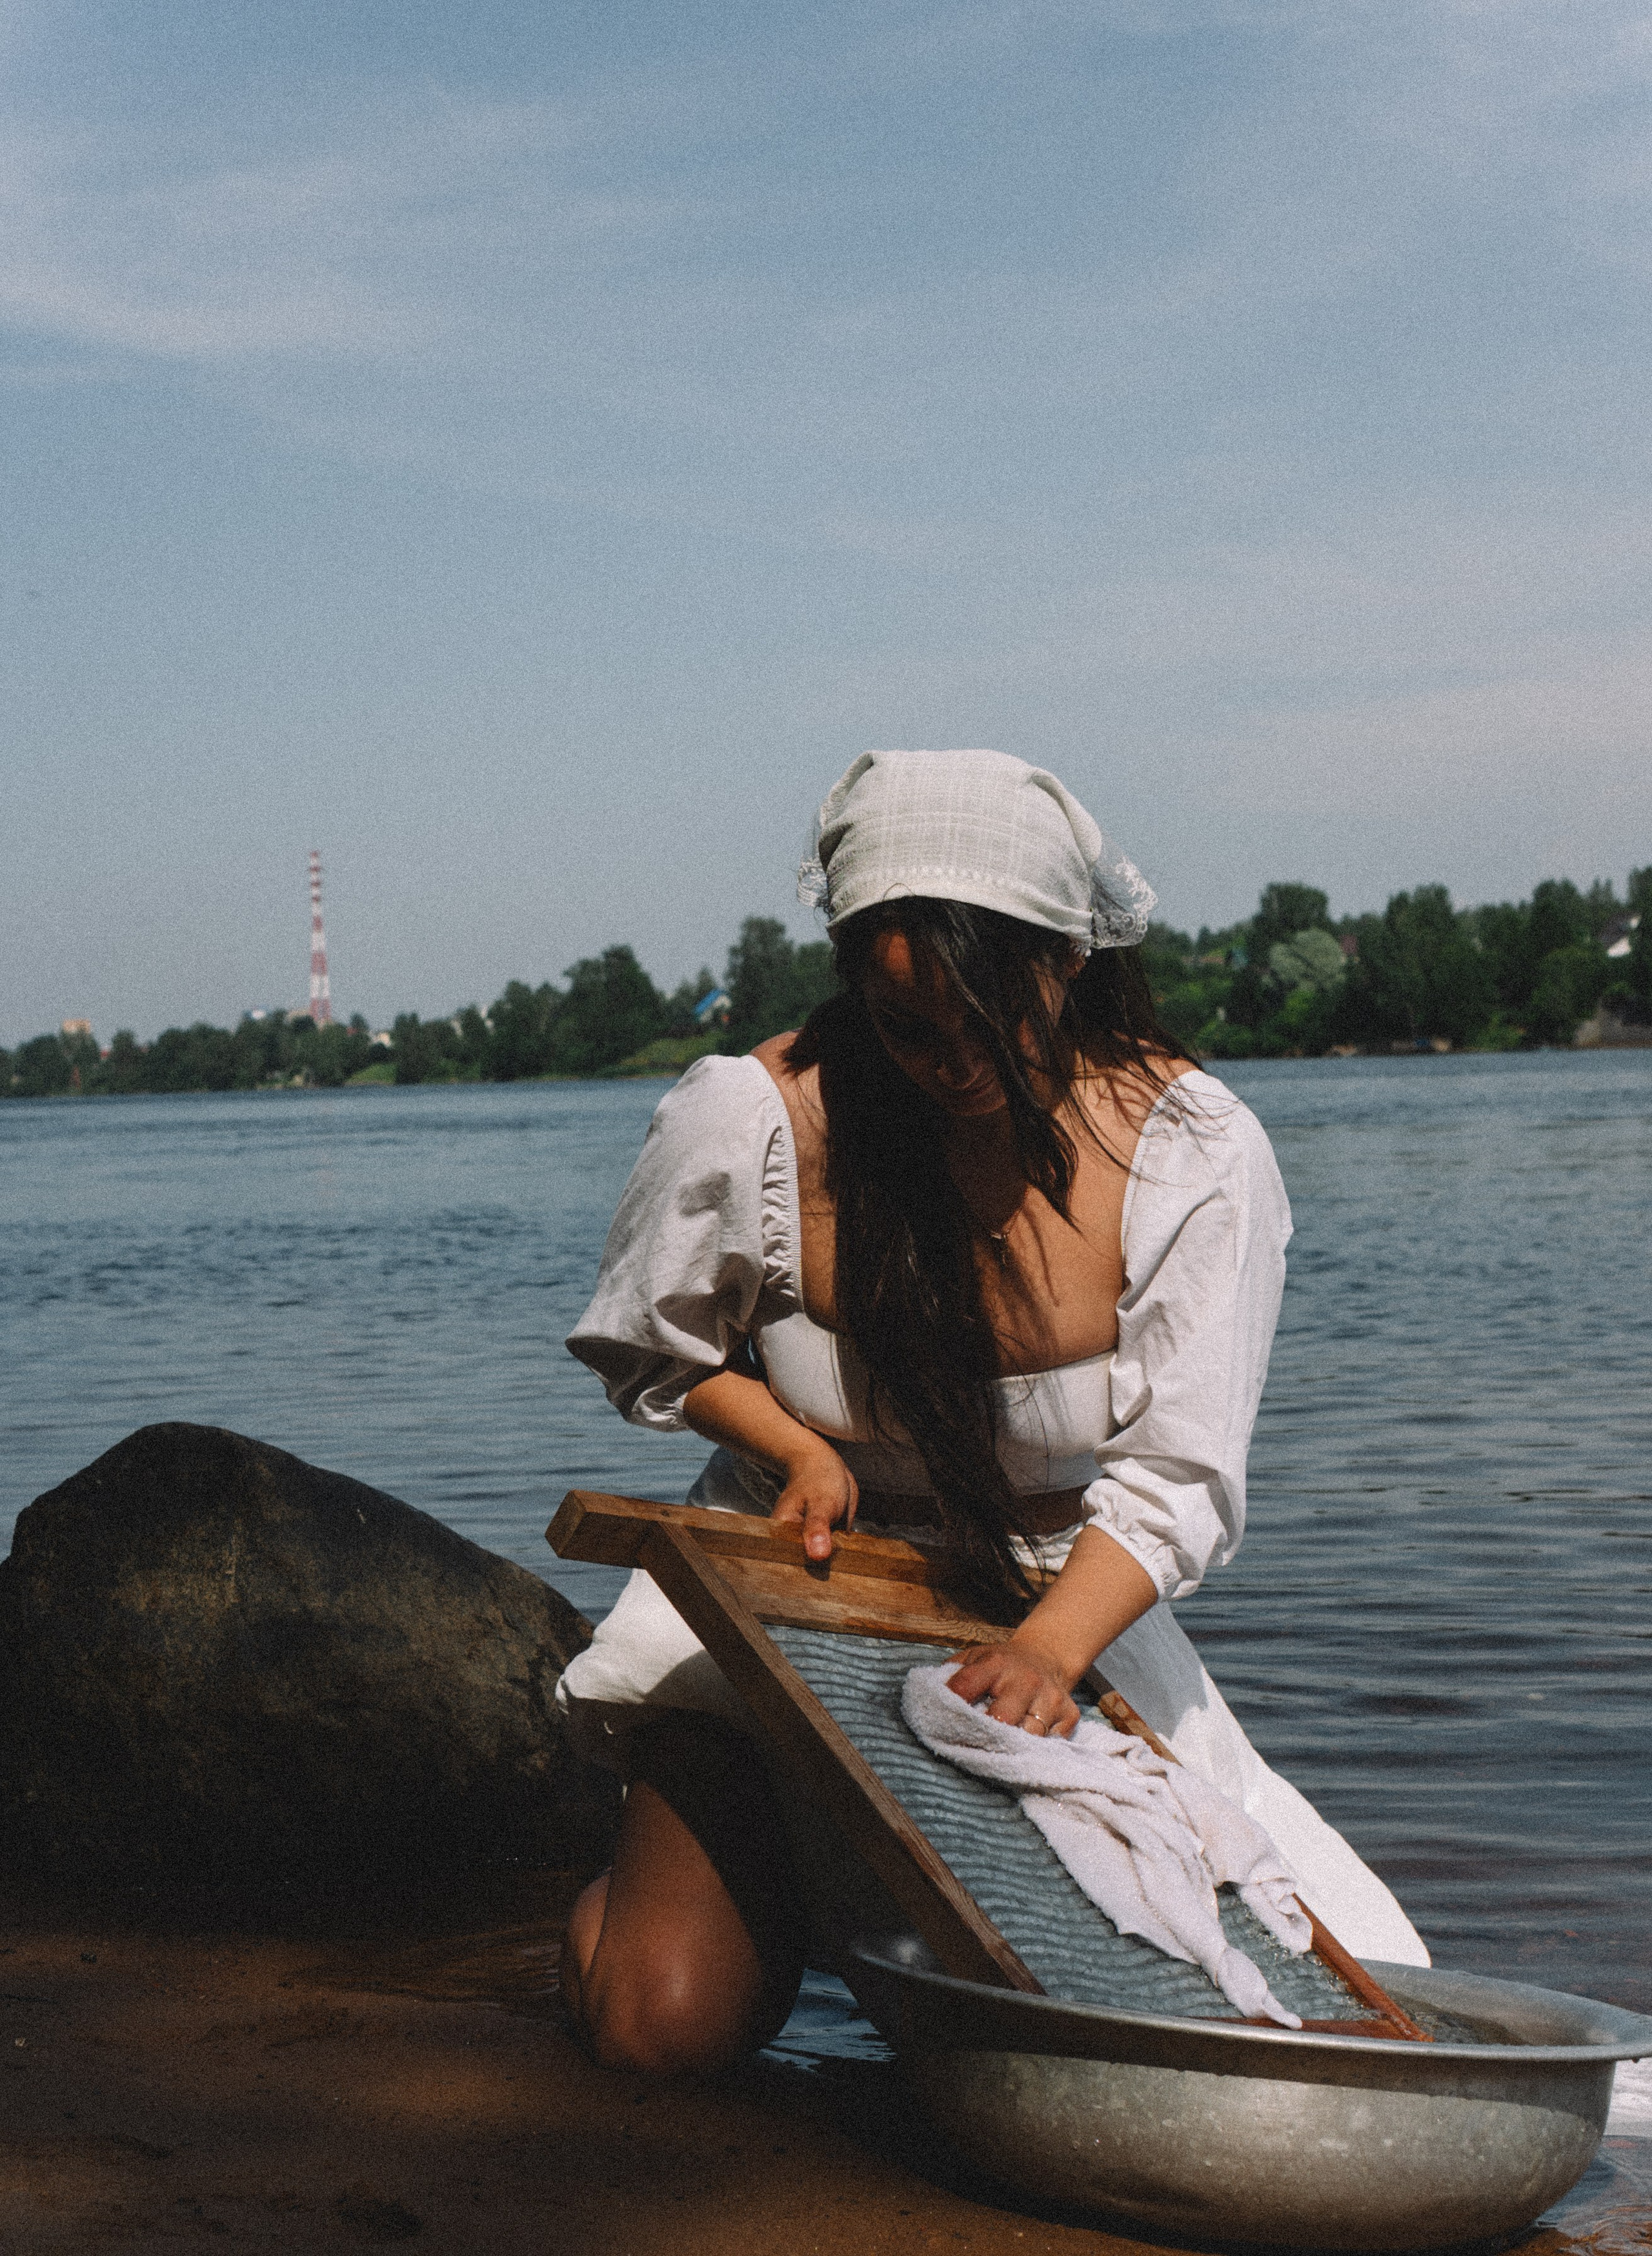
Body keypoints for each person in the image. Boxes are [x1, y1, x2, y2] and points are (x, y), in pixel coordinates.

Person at [556, 749, 1427, 2073]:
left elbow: (1180, 1481)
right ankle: (661, 1886)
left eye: (988, 1019)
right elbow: (651, 1347)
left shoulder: (1192, 1152)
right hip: (780, 1593)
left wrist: (1047, 1656)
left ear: (1065, 961)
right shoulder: (759, 1115)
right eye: (908, 1028)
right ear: (856, 978)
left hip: (1053, 1604)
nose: (951, 1065)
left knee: (1261, 2017)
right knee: (657, 2036)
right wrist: (790, 1443)